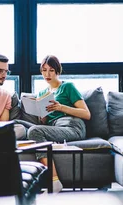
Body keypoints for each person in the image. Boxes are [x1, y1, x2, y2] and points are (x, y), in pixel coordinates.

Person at [27, 55, 91, 193]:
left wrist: (61, 107)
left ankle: (54, 181)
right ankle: (18, 129)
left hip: (72, 125)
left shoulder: (67, 87)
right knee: (25, 127)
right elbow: (44, 122)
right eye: (44, 70)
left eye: (51, 70)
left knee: (33, 131)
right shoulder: (43, 93)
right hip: (54, 127)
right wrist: (40, 112)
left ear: (57, 71)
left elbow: (86, 114)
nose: (47, 74)